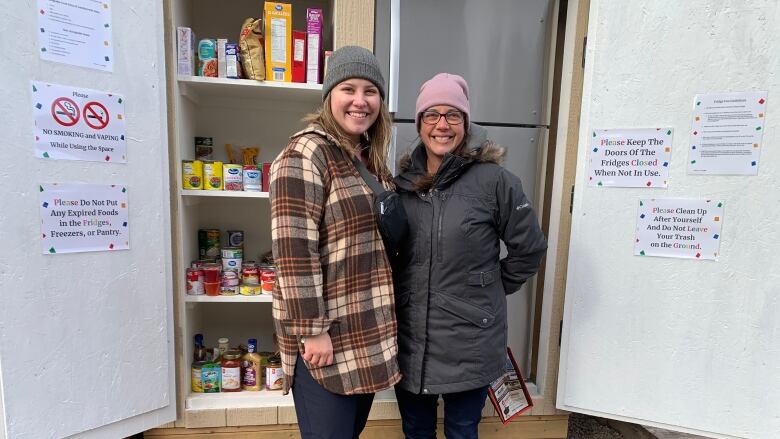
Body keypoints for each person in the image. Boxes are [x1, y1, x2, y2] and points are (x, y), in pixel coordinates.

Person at [392, 73, 548, 438]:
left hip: (470, 338)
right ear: (419, 123)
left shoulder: (495, 182)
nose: (441, 125)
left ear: (466, 123)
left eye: (453, 115)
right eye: (432, 115)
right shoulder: (402, 183)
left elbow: (530, 248)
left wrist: (488, 289)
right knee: (415, 429)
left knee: (462, 430)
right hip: (410, 336)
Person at [269, 46, 400, 439]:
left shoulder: (366, 157)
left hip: (365, 333)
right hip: (326, 337)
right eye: (349, 89)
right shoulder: (306, 153)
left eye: (371, 91)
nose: (361, 101)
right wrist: (312, 330)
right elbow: (293, 252)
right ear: (329, 97)